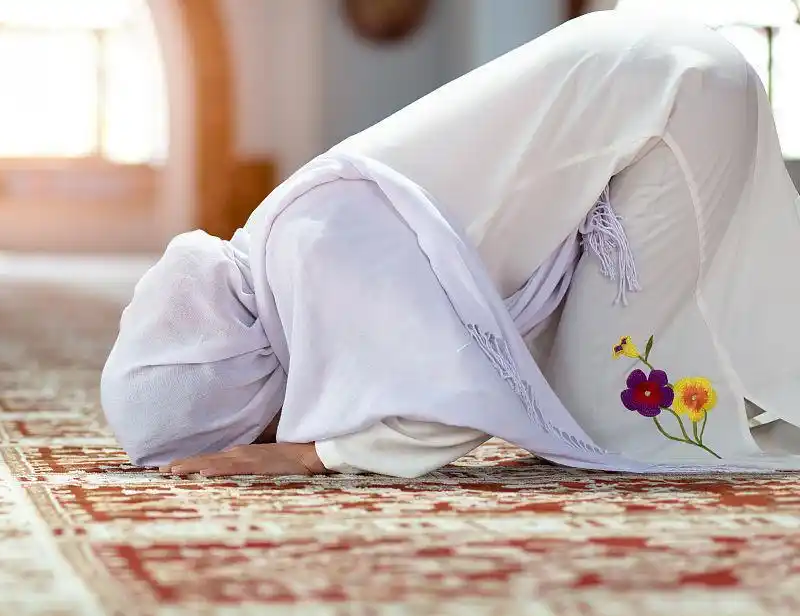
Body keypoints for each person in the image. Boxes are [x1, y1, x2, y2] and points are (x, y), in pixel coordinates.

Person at [100, 10, 800, 479]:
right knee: (593, 379)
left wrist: (310, 455)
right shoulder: (286, 242)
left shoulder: (314, 254)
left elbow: (450, 402)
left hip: (674, 97)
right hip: (664, 70)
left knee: (615, 417)